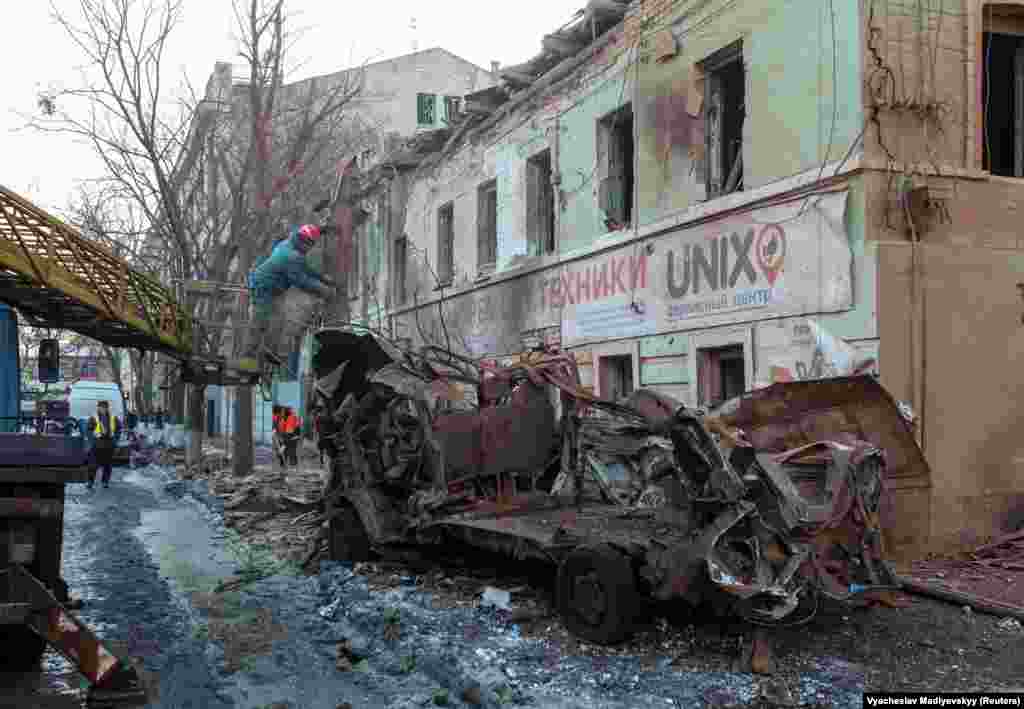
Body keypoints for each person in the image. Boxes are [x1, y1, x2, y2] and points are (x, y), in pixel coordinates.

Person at [247, 224, 336, 357]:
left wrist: (322, 278)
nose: (310, 249)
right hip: (264, 287)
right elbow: (302, 281)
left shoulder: (289, 243)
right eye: (310, 245)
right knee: (263, 320)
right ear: (304, 242)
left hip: (272, 286)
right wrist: (324, 290)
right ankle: (250, 354)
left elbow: (304, 268)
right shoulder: (291, 256)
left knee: (278, 318)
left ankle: (269, 351)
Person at [89, 400, 119, 490]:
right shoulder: (94, 417)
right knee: (93, 465)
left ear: (107, 408)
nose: (102, 409)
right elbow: (88, 430)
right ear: (98, 408)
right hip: (97, 443)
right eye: (100, 407)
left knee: (107, 465)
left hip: (109, 443)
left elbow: (118, 429)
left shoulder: (113, 417)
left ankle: (105, 482)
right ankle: (90, 481)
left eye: (104, 407)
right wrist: (92, 440)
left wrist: (115, 439)